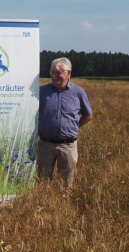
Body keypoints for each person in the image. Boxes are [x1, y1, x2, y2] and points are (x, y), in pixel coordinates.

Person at [37, 57, 93, 190]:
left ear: (69, 74)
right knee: (43, 183)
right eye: (52, 72)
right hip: (45, 145)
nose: (54, 76)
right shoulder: (42, 92)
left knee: (66, 184)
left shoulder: (78, 92)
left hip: (68, 145)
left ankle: (63, 206)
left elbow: (88, 115)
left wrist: (73, 127)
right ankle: (43, 207)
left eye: (58, 72)